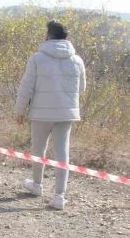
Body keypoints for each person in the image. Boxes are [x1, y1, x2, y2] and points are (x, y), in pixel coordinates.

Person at [14, 20, 86, 210]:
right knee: (63, 152)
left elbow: (26, 87)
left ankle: (37, 185)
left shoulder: (37, 58)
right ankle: (59, 196)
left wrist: (20, 110)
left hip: (41, 112)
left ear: (49, 35)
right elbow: (82, 89)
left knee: (39, 150)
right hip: (67, 113)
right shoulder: (77, 60)